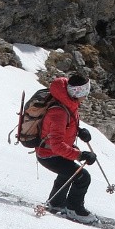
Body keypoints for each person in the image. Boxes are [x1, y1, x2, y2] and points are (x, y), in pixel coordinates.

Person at [36, 73, 98, 219]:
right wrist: (80, 155)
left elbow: (64, 128)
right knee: (82, 177)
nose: (86, 97)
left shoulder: (68, 104)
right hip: (49, 154)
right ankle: (74, 210)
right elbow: (56, 145)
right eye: (85, 93)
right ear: (77, 93)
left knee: (68, 172)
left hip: (52, 152)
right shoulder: (59, 112)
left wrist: (79, 131)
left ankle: (56, 203)